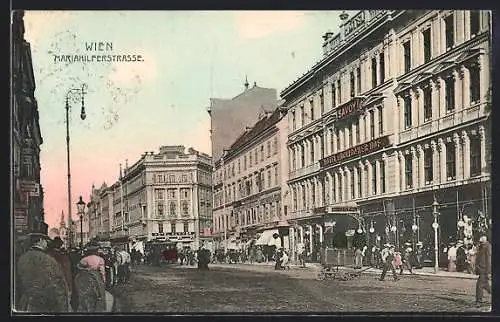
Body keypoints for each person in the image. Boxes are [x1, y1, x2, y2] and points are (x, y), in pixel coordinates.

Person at [16, 233, 71, 312]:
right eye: (46, 241)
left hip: (27, 302)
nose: (47, 243)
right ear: (40, 241)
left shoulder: (22, 258)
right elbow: (58, 283)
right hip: (46, 303)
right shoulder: (48, 259)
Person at [475, 236, 491, 307]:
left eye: (481, 242)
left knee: (479, 286)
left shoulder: (487, 247)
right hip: (481, 268)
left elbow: (489, 259)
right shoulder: (481, 247)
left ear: (484, 241)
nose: (479, 244)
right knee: (486, 286)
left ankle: (479, 301)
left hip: (484, 269)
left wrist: (488, 272)